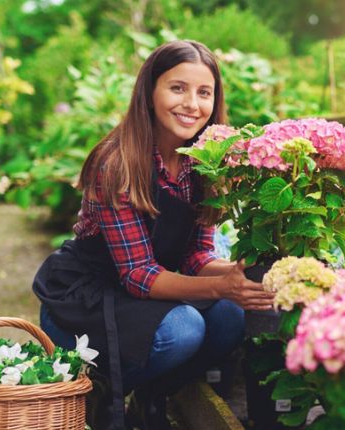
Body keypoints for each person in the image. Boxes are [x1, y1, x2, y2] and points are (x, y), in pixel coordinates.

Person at [32, 40, 275, 430]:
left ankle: (152, 394)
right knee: (184, 329)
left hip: (147, 298)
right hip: (89, 300)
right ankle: (98, 393)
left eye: (204, 92)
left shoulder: (204, 162)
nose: (191, 104)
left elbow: (197, 256)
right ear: (149, 93)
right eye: (177, 88)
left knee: (232, 316)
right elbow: (137, 273)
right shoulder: (118, 162)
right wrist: (220, 288)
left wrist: (239, 275)